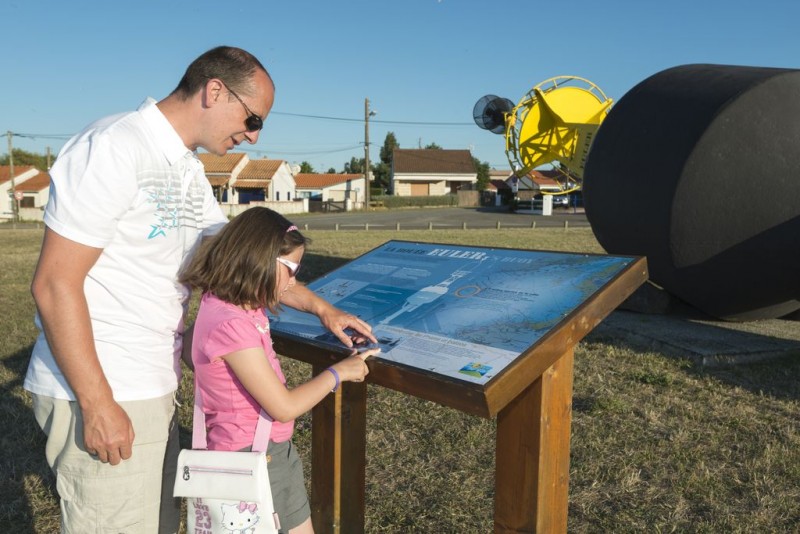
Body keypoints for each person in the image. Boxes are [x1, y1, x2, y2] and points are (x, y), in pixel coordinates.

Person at [25, 46, 375, 534]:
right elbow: (54, 283)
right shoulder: (115, 145)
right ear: (214, 91)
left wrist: (322, 309)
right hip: (110, 386)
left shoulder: (186, 170)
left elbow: (242, 266)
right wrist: (98, 403)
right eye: (252, 118)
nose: (252, 135)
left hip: (155, 387)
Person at [179, 207, 379, 534]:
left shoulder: (220, 303)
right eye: (291, 269)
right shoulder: (233, 326)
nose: (294, 280)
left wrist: (324, 311)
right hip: (256, 458)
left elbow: (191, 352)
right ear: (257, 262)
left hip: (249, 449)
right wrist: (340, 372)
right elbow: (283, 408)